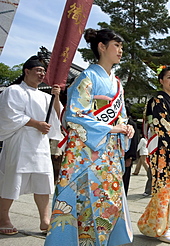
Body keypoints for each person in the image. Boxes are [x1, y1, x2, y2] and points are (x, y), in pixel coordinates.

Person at [44, 28, 135, 245]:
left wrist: (126, 126)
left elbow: (121, 115)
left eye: (121, 46)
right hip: (87, 154)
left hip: (110, 153)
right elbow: (75, 115)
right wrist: (112, 128)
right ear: (102, 47)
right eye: (116, 45)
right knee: (86, 201)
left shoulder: (118, 84)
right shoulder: (87, 77)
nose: (121, 50)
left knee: (108, 201)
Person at [0, 55, 61, 235]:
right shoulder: (14, 90)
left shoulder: (45, 96)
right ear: (27, 71)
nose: (42, 74)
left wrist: (56, 97)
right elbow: (9, 114)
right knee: (12, 179)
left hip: (40, 144)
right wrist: (36, 124)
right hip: (19, 141)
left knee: (44, 180)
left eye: (44, 71)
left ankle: (45, 220)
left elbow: (56, 118)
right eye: (38, 71)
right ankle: (3, 217)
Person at [137, 65, 170, 244]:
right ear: (161, 80)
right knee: (163, 189)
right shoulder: (157, 100)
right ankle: (160, 229)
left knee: (169, 188)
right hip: (162, 151)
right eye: (169, 78)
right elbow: (161, 125)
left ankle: (150, 224)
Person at [122, 113, 138, 195]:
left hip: (126, 156)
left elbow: (134, 142)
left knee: (125, 178)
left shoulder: (131, 124)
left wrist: (130, 157)